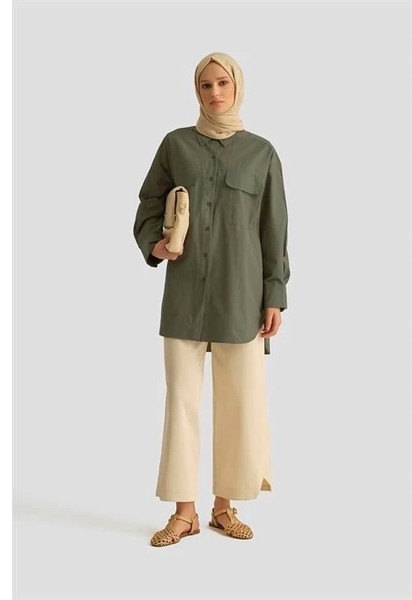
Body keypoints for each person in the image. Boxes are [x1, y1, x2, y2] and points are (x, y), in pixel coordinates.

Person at [133, 51, 290, 547]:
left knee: (239, 405)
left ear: (237, 86)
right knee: (181, 403)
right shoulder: (175, 144)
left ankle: (225, 507)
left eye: (223, 83)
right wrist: (154, 244)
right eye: (205, 85)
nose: (215, 92)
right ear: (196, 91)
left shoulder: (261, 153)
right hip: (184, 297)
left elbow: (274, 230)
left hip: (242, 299)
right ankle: (185, 513)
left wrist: (274, 294)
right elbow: (148, 202)